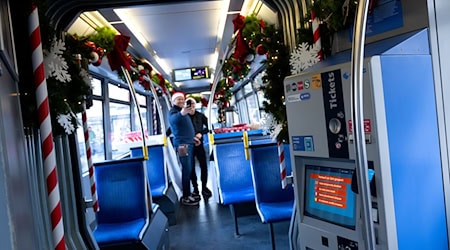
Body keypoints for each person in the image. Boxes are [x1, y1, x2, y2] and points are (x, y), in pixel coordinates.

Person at [168, 92, 202, 206]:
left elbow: (184, 129)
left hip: (189, 142)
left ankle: (188, 192)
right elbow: (174, 120)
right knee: (186, 170)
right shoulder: (174, 112)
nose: (181, 101)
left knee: (190, 168)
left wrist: (193, 138)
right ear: (173, 101)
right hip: (183, 145)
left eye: (182, 99)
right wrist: (182, 113)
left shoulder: (184, 112)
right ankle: (186, 196)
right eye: (178, 99)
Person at [185, 97, 212, 200]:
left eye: (193, 105)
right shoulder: (184, 117)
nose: (191, 107)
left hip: (199, 144)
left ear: (195, 106)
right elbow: (175, 128)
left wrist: (201, 133)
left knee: (204, 166)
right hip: (189, 144)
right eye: (189, 105)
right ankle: (195, 188)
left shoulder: (200, 116)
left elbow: (210, 126)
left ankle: (204, 187)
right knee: (191, 167)